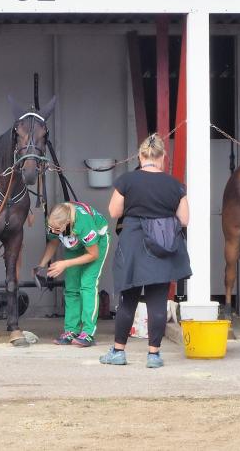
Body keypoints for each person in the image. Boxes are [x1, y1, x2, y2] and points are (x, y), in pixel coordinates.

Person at [100, 134, 191, 368]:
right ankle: (153, 355)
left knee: (128, 300)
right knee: (158, 302)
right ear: (162, 158)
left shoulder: (127, 180)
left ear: (141, 156)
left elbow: (113, 212)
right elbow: (184, 219)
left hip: (133, 244)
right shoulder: (174, 184)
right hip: (162, 247)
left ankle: (118, 352)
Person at [38, 201, 110, 347]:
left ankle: (88, 333)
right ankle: (71, 330)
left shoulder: (82, 222)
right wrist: (41, 265)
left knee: (87, 285)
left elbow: (93, 254)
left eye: (58, 229)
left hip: (95, 246)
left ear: (68, 223)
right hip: (74, 245)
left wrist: (65, 264)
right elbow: (53, 242)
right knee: (71, 288)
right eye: (52, 228)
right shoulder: (54, 221)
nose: (54, 231)